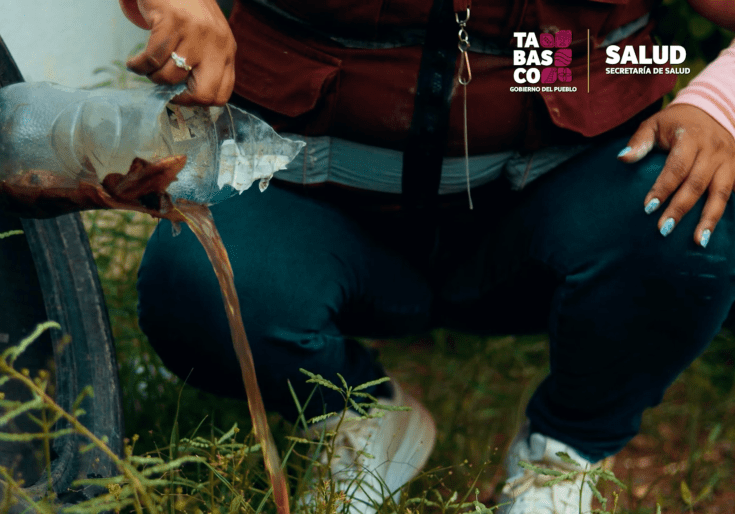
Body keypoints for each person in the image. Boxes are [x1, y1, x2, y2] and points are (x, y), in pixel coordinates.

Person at [119, 0, 735, 511]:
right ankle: (357, 416)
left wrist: (717, 107)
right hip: (318, 214)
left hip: (539, 219)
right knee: (191, 279)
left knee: (686, 219)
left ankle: (562, 456)